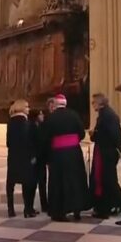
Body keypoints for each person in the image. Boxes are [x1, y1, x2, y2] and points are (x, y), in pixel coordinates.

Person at [40, 94, 89, 222]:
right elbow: (82, 133)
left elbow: (45, 138)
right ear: (65, 104)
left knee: (59, 183)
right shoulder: (74, 115)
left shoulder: (51, 118)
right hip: (74, 153)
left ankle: (59, 212)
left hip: (58, 155)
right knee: (76, 180)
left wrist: (46, 156)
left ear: (55, 104)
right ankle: (77, 209)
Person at [88, 93, 121, 225]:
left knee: (111, 183)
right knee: (107, 183)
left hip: (106, 154)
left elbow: (115, 134)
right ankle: (109, 209)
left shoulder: (107, 116)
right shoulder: (105, 114)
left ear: (100, 103)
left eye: (94, 102)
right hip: (106, 153)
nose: (92, 105)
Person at [5, 99, 37, 218]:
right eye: (27, 107)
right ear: (22, 108)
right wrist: (33, 156)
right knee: (27, 183)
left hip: (13, 156)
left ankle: (10, 210)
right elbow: (31, 141)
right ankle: (27, 209)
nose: (29, 109)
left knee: (10, 184)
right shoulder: (27, 123)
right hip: (26, 157)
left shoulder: (10, 123)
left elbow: (8, 142)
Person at [32, 105, 51, 214]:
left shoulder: (44, 126)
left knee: (43, 183)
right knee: (33, 183)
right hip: (35, 159)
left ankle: (45, 204)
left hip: (42, 158)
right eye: (40, 114)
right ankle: (29, 206)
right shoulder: (32, 126)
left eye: (42, 114)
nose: (42, 116)